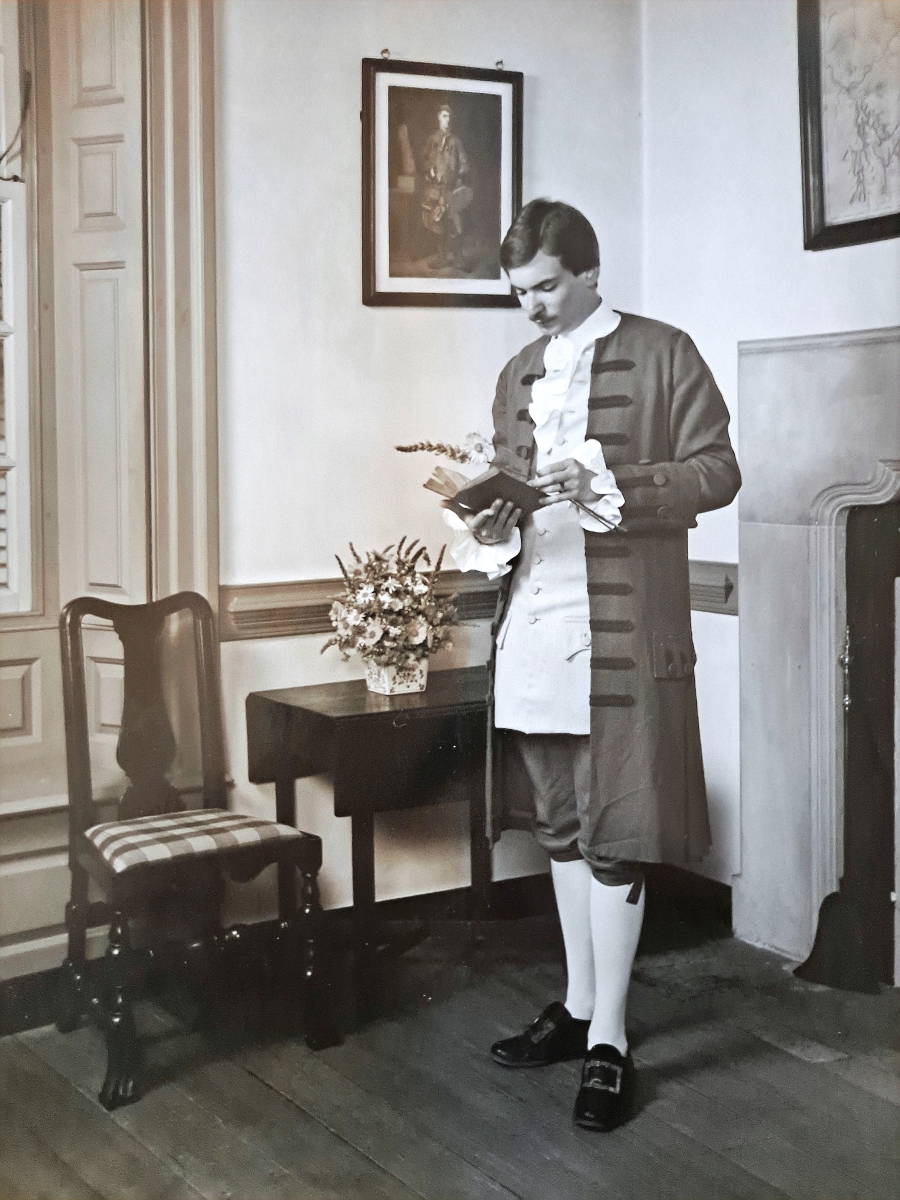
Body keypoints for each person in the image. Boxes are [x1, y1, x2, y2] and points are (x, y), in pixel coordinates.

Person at [443, 199, 740, 1131]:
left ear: (590, 273)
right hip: (535, 624)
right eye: (519, 293)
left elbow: (719, 471)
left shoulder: (664, 352)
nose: (531, 307)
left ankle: (610, 1036)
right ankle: (576, 1008)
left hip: (619, 630)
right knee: (562, 826)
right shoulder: (517, 374)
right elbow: (511, 501)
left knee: (615, 829)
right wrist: (495, 522)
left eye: (544, 287)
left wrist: (610, 482)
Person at [421, 103, 473, 268]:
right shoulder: (432, 140)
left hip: (452, 188)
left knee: (456, 222)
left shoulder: (456, 141)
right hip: (436, 188)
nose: (447, 120)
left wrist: (459, 177)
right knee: (438, 222)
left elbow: (464, 163)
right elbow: (424, 159)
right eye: (444, 116)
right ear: (438, 118)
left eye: (449, 116)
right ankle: (441, 257)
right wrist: (430, 170)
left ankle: (458, 257)